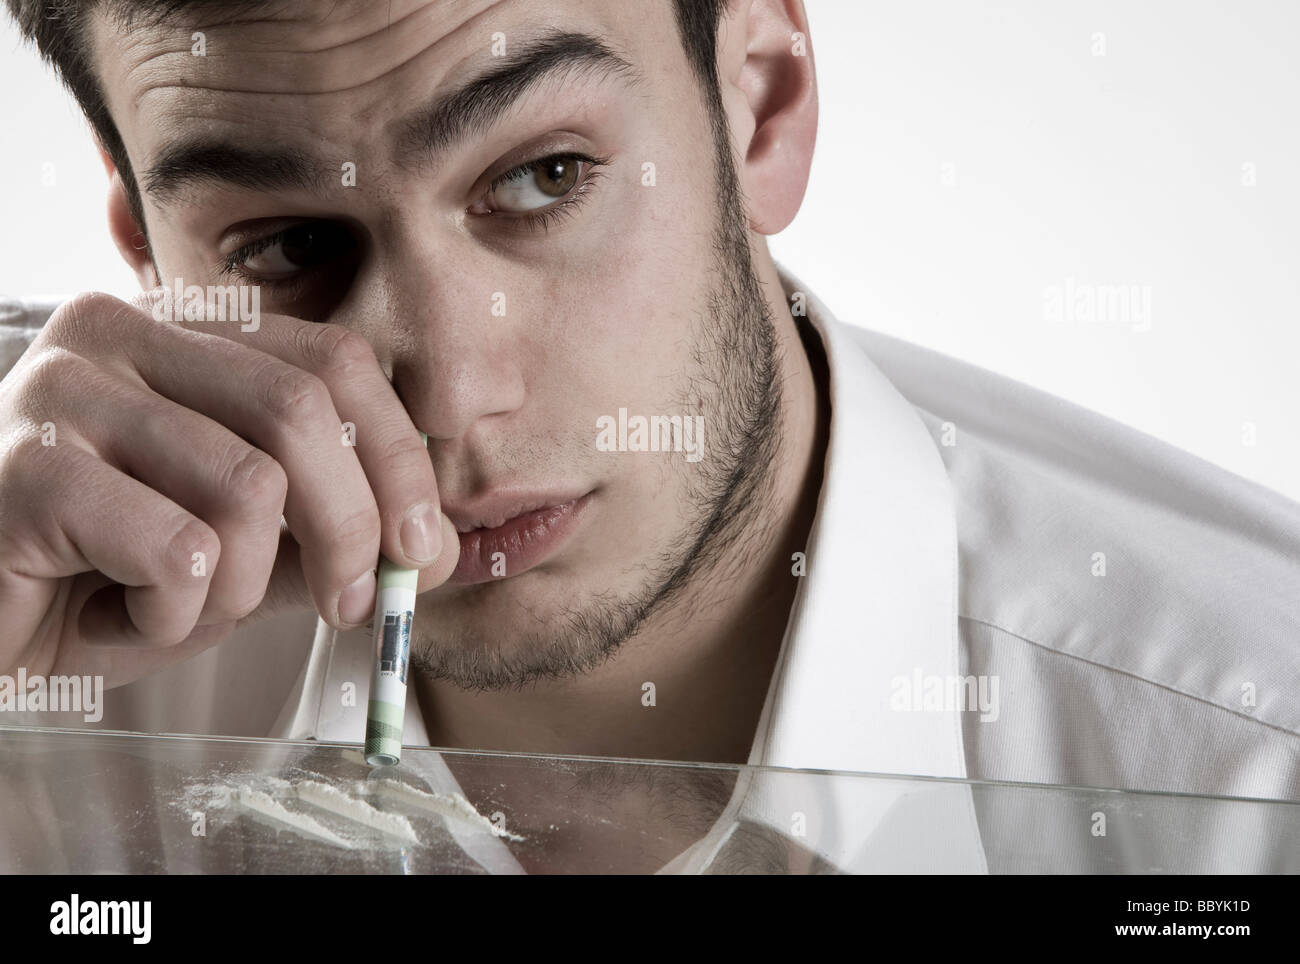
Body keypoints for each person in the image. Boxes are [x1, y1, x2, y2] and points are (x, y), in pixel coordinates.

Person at [1, 0, 1297, 873]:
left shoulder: (1250, 787)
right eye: (283, 246)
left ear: (761, 106)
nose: (449, 402)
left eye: (543, 175)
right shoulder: (50, 613)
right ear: (145, 257)